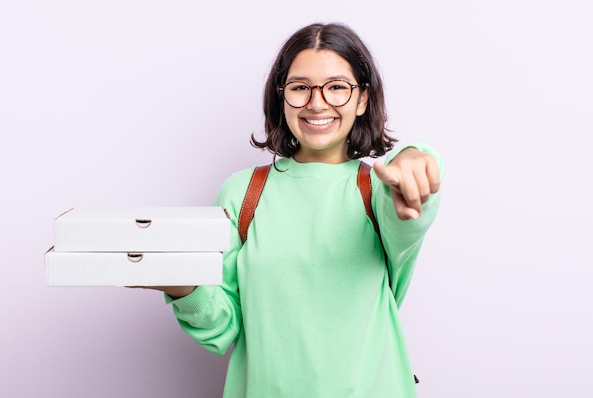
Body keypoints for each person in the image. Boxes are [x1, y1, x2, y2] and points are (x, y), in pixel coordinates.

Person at [147, 22, 442, 397]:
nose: (317, 103)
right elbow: (223, 329)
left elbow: (411, 213)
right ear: (281, 96)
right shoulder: (242, 193)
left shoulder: (380, 190)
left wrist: (417, 157)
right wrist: (182, 284)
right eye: (301, 87)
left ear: (362, 98)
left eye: (337, 87)